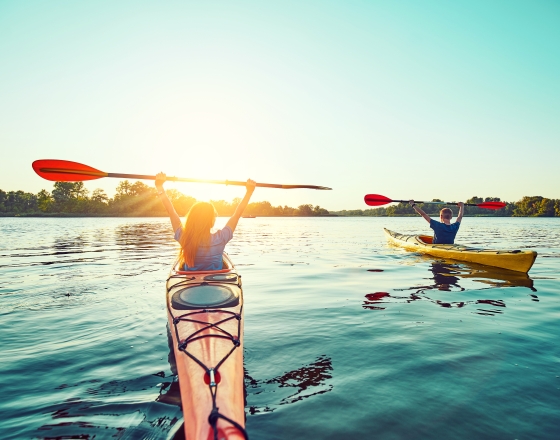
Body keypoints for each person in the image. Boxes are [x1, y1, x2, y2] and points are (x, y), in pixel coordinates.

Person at [155, 173, 256, 270]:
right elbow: (237, 214)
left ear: (191, 218)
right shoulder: (221, 238)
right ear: (211, 221)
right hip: (216, 282)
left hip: (190, 284)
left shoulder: (184, 237)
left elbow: (171, 211)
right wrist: (249, 192)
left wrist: (159, 187)